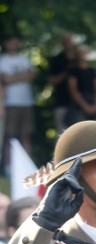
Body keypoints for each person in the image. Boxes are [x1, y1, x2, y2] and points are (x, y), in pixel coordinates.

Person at [0, 34, 36, 168]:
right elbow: (5, 80)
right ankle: (9, 167)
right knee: (9, 136)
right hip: (10, 103)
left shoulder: (24, 59)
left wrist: (13, 78)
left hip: (26, 102)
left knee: (26, 135)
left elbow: (32, 75)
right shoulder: (2, 60)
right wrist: (24, 76)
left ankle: (28, 167)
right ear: (6, 43)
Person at [46, 34, 77, 132]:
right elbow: (51, 81)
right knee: (62, 133)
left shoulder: (79, 60)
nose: (69, 45)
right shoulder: (57, 60)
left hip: (79, 105)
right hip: (62, 101)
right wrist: (66, 72)